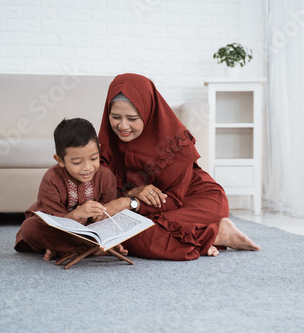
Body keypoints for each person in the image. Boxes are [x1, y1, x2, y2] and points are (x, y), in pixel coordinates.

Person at [98, 73, 260, 261]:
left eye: (133, 118)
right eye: (115, 117)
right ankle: (214, 234)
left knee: (134, 233)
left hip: (197, 200)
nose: (122, 126)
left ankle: (218, 234)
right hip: (152, 210)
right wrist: (133, 194)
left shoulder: (176, 142)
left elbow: (174, 199)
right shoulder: (106, 144)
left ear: (148, 112)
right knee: (124, 231)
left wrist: (129, 203)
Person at [14, 118, 123, 260]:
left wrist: (99, 215)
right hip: (60, 229)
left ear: (99, 150)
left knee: (123, 226)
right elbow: (55, 222)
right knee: (29, 228)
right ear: (60, 160)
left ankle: (60, 249)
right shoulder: (51, 180)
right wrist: (77, 214)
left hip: (91, 230)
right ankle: (93, 250)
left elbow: (107, 215)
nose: (87, 167)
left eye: (93, 158)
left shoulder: (106, 176)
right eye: (77, 162)